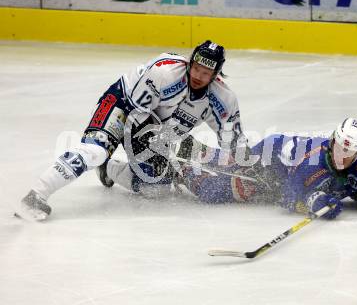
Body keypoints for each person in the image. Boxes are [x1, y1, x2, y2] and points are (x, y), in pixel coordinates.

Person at [17, 40, 247, 221]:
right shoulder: (164, 72)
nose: (198, 76)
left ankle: (110, 169)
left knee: (156, 190)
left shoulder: (223, 100)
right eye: (196, 68)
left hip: (154, 128)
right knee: (95, 151)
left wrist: (253, 171)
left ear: (216, 74)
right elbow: (136, 116)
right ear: (190, 62)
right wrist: (154, 148)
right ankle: (36, 194)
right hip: (123, 104)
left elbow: (235, 144)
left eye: (206, 73)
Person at [178, 118, 357, 219]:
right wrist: (313, 201)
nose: (342, 156)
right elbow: (286, 196)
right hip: (272, 160)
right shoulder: (310, 164)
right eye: (339, 148)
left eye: (349, 153)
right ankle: (182, 166)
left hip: (286, 173)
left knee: (225, 178)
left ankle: (193, 156)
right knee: (217, 188)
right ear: (333, 142)